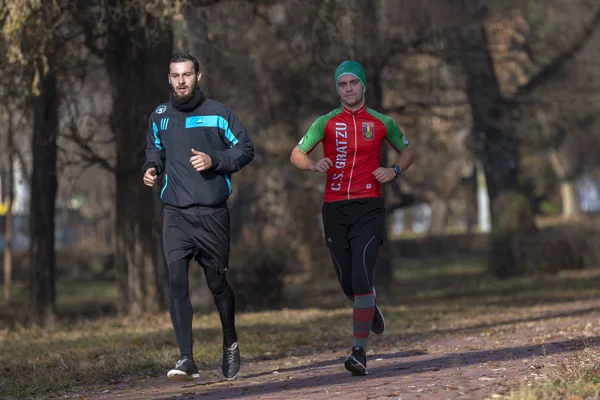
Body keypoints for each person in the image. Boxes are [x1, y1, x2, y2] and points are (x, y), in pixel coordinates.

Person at [290, 60, 415, 376]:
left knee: (362, 275)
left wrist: (394, 170)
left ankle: (359, 352)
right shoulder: (326, 122)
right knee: (348, 283)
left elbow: (408, 151)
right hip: (334, 209)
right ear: (337, 89)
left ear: (363, 86)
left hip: (369, 207)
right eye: (342, 85)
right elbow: (296, 153)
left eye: (353, 83)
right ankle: (368, 307)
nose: (348, 89)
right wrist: (311, 165)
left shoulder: (382, 122)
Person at [142, 53, 254, 381]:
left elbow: (245, 149)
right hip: (175, 214)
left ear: (198, 76)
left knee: (217, 282)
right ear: (168, 78)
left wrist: (215, 159)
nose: (181, 81)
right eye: (175, 75)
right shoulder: (159, 116)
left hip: (212, 214)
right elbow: (155, 148)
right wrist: (151, 168)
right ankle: (186, 358)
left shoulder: (219, 114)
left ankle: (230, 341)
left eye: (187, 75)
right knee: (176, 281)